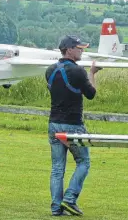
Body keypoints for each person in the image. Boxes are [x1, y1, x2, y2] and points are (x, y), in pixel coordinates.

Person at [45, 35, 101, 216]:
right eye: (79, 48)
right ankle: (70, 198)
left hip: (53, 124)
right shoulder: (78, 72)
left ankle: (56, 207)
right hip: (73, 125)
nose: (82, 51)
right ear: (68, 49)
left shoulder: (50, 70)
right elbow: (91, 94)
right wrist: (92, 73)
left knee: (57, 168)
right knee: (83, 162)